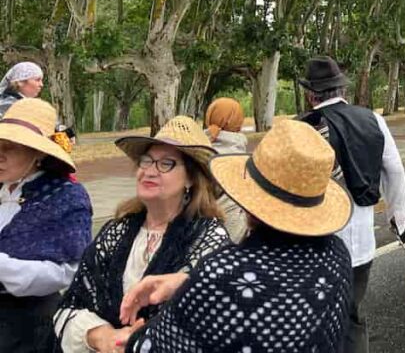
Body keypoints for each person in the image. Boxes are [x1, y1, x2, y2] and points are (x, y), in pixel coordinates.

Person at [120, 119, 354, 353]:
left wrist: (132, 337)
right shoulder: (338, 257)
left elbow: (152, 347)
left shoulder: (223, 271)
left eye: (167, 164)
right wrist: (187, 282)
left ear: (249, 200)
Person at [54, 116, 229, 353]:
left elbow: (216, 318)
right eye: (146, 161)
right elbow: (70, 306)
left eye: (166, 163)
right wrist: (102, 336)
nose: (149, 171)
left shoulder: (209, 238)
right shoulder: (117, 231)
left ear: (190, 178)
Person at [298, 55, 405, 353]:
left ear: (311, 95)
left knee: (312, 317)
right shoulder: (374, 119)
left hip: (314, 244)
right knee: (352, 316)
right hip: (360, 243)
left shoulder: (304, 128)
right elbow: (395, 171)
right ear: (342, 91)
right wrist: (397, 219)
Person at [0, 98, 92, 352]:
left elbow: (68, 271)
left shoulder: (65, 197)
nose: (0, 154)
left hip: (27, 328)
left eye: (10, 147)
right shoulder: (4, 188)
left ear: (38, 152)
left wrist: (3, 267)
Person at [204, 97, 249, 242]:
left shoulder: (200, 150)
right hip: (234, 228)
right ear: (237, 121)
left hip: (201, 227)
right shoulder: (242, 156)